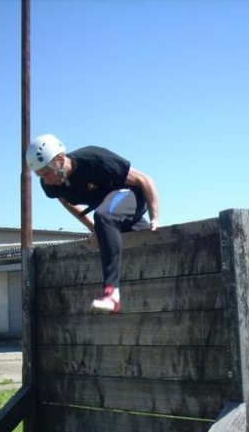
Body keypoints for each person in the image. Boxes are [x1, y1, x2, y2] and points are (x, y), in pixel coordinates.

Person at [26, 134, 160, 313]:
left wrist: (155, 218)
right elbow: (67, 203)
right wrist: (95, 230)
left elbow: (145, 180)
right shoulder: (51, 185)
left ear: (59, 159)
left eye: (47, 173)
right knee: (117, 227)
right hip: (113, 213)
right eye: (40, 176)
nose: (46, 180)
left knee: (104, 215)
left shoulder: (95, 159)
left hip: (132, 196)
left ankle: (112, 293)